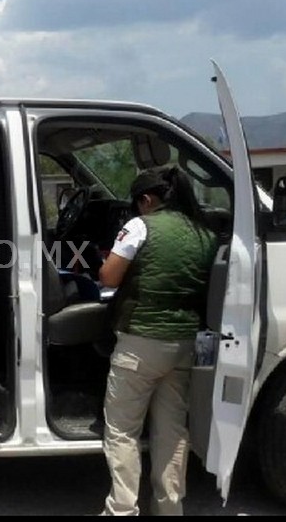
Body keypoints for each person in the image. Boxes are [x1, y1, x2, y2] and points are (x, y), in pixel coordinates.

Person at [98, 166, 218, 516]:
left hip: (141, 342)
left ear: (147, 200)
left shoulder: (140, 226)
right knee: (172, 431)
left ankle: (121, 510)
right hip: (184, 343)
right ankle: (169, 508)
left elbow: (108, 276)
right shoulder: (205, 233)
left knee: (122, 430)